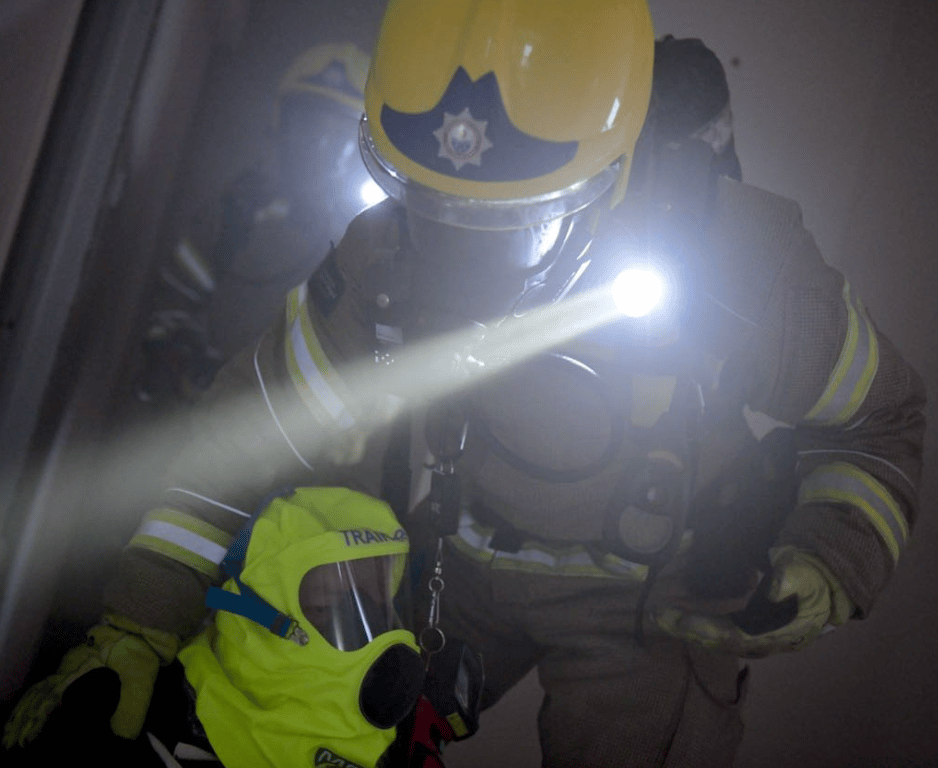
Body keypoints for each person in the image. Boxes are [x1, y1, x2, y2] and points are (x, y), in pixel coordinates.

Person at [5, 2, 926, 766]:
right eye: (429, 210)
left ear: (607, 183)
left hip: (647, 605)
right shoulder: (383, 258)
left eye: (510, 229)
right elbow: (237, 440)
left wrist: (830, 559)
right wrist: (133, 626)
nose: (458, 268)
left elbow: (882, 421)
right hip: (449, 570)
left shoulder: (744, 267)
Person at [4, 486, 425, 768]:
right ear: (254, 613)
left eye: (378, 605)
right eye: (332, 604)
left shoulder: (386, 748)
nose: (371, 629)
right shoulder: (138, 719)